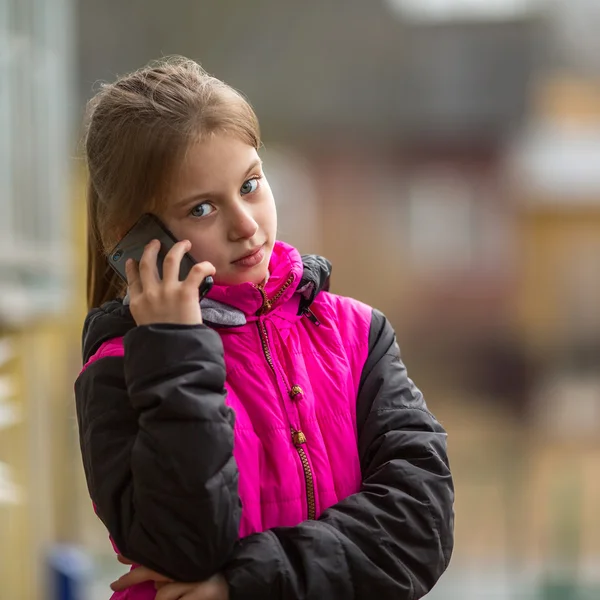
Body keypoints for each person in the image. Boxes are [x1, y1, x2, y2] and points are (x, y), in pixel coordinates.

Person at [75, 57, 454, 600]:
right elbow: (183, 548)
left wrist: (243, 583)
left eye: (250, 184)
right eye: (202, 208)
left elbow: (421, 526)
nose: (246, 225)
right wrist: (173, 352)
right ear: (135, 238)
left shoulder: (358, 335)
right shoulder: (123, 369)